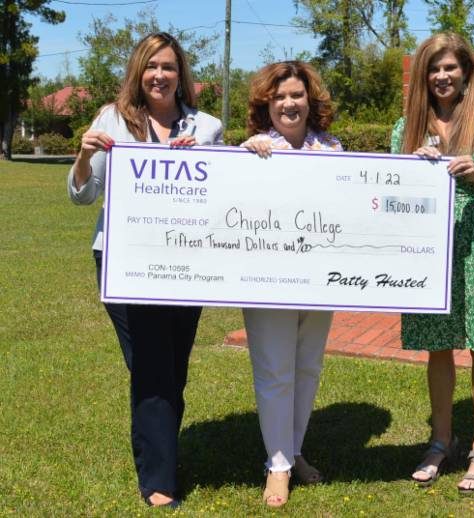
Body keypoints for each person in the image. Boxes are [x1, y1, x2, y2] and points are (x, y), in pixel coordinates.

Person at [67, 32, 223, 508]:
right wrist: (85, 154)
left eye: (169, 67)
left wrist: (207, 160)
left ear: (181, 75)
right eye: (152, 66)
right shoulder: (112, 120)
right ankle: (159, 481)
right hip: (124, 260)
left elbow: (225, 194)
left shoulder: (208, 125)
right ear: (139, 71)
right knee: (155, 361)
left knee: (172, 367)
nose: (160, 75)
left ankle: (163, 453)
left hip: (187, 261)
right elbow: (81, 195)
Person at [391, 32, 474, 494]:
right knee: (439, 344)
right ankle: (440, 441)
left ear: (466, 71)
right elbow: (390, 190)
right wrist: (414, 164)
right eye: (434, 68)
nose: (442, 76)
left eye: (450, 67)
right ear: (423, 76)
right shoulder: (407, 126)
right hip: (430, 247)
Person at [240, 61, 343, 507]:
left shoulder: (333, 149)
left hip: (319, 278)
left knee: (307, 368)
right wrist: (241, 159)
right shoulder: (254, 150)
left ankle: (294, 450)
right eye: (279, 96)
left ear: (309, 100)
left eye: (296, 95)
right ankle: (277, 466)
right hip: (268, 280)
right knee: (275, 370)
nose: (288, 103)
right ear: (267, 103)